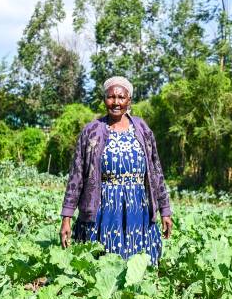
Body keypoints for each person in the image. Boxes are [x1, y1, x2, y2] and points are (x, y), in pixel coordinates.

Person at [60, 76, 173, 264]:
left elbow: (156, 171)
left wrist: (165, 210)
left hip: (139, 206)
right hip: (104, 207)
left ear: (129, 100)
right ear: (104, 99)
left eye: (121, 97)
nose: (116, 102)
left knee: (138, 265)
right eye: (111, 97)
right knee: (102, 263)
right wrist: (67, 217)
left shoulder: (142, 129)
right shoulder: (92, 131)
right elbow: (76, 175)